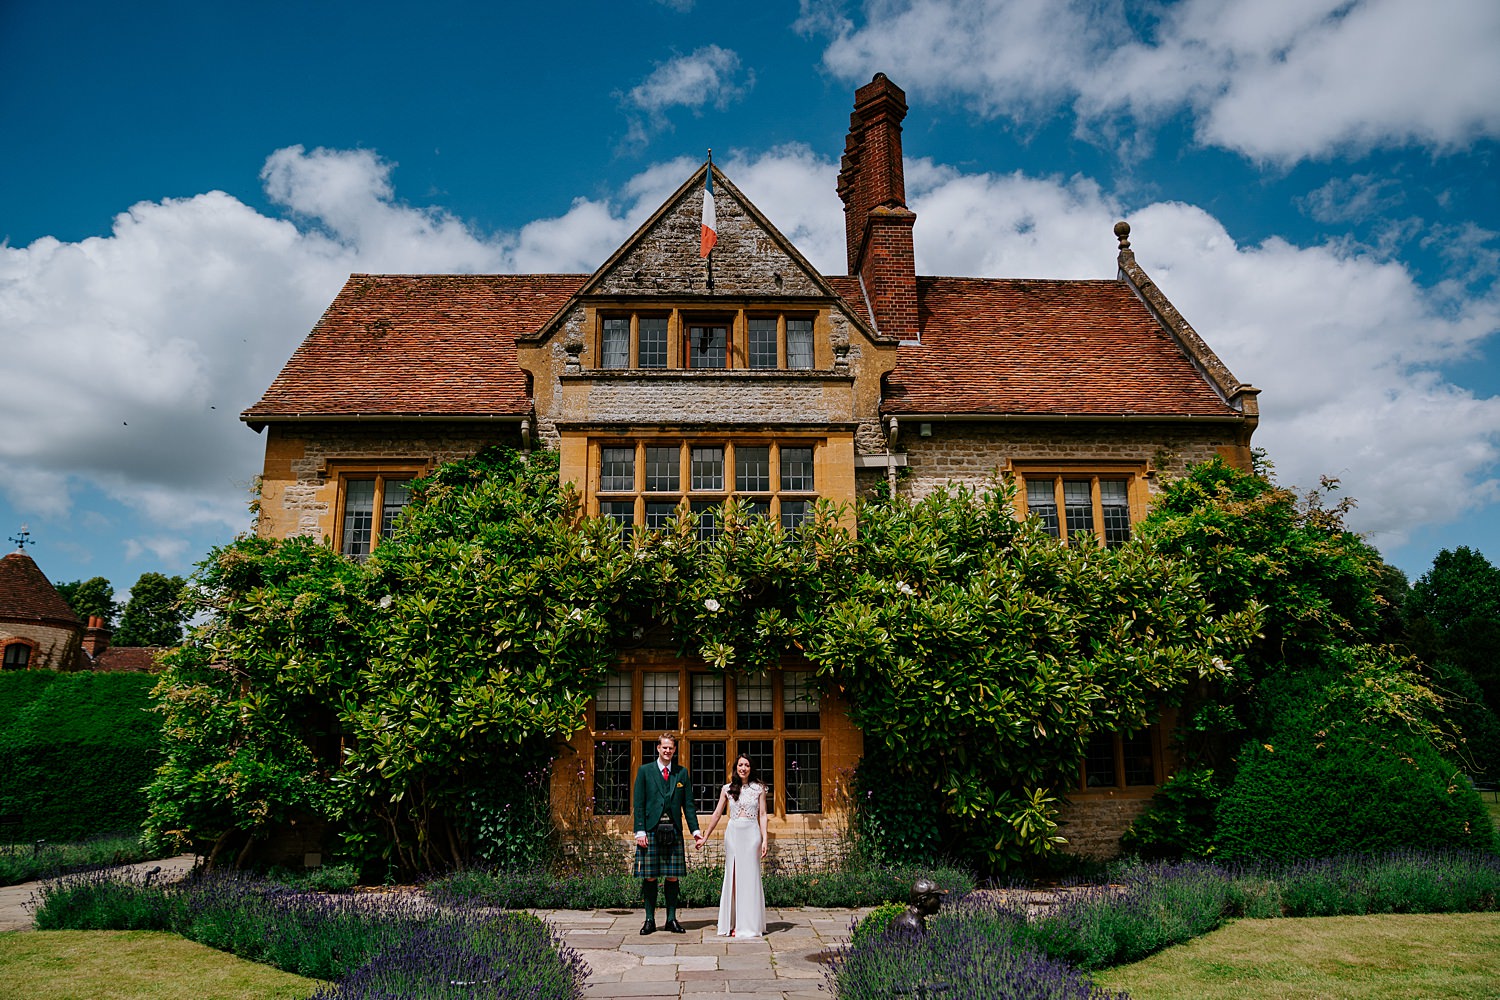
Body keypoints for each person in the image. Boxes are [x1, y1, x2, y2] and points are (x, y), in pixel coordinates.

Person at [632, 733, 702, 935]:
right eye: (664, 747)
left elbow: (688, 805)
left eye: (671, 748)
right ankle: (649, 920)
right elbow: (639, 803)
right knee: (650, 876)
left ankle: (671, 920)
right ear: (658, 748)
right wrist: (640, 831)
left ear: (675, 749)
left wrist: (695, 830)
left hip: (673, 831)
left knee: (672, 877)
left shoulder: (681, 773)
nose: (667, 751)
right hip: (651, 831)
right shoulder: (645, 771)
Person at [697, 753, 768, 938]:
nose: (743, 768)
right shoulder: (727, 789)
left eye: (746, 765)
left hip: (752, 834)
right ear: (735, 768)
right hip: (734, 834)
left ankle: (750, 924)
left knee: (750, 877)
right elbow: (717, 813)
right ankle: (734, 923)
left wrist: (765, 839)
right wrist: (705, 837)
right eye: (740, 765)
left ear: (751, 768)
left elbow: (762, 815)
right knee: (734, 877)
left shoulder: (759, 789)